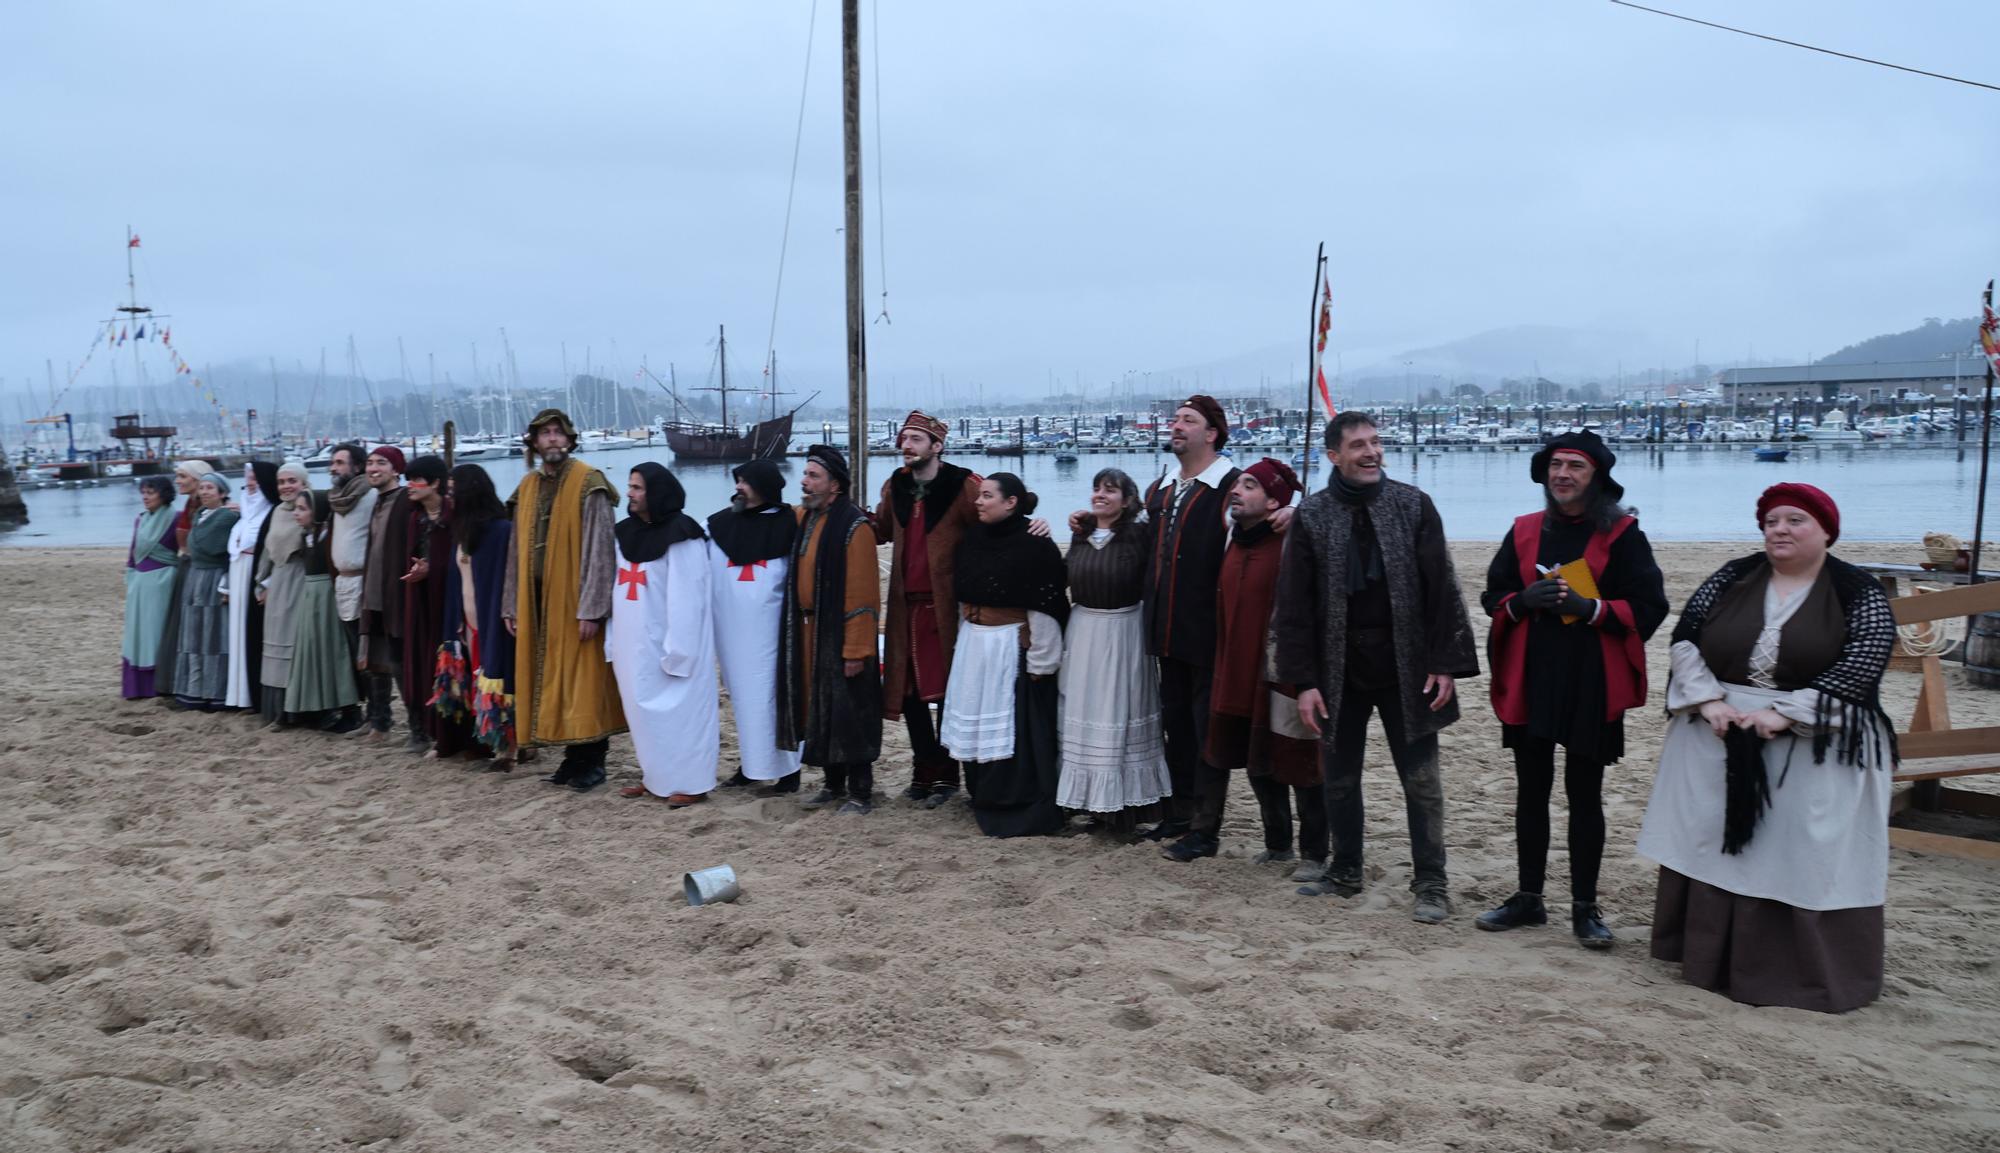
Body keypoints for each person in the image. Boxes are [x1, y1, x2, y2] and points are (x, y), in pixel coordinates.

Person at [1637, 484, 1897, 1013]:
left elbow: (1864, 662)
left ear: (1827, 530)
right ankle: (1710, 957)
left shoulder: (1856, 590)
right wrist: (1708, 702)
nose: (1779, 529)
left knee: (1801, 850)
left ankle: (1793, 971)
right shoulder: (1734, 574)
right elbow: (1686, 637)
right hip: (1722, 727)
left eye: (1795, 520)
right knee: (1715, 842)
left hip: (1814, 739)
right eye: (1771, 520)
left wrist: (1783, 714)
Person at [1273, 412, 1479, 924]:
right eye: (1358, 445)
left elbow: (1443, 590)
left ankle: (1431, 881)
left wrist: (1444, 663)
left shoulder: (1414, 505)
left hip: (1408, 666)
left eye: (1376, 442)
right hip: (1338, 668)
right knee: (1339, 779)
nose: (1371, 452)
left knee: (1422, 782)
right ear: (1334, 456)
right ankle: (1345, 870)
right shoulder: (1313, 516)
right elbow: (1293, 606)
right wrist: (1303, 682)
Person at [1477, 431, 1669, 948]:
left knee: (1585, 795)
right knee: (1530, 791)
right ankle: (1529, 899)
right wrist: (1523, 601)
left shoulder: (1624, 534)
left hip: (1592, 680)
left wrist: (1593, 609)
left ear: (1597, 479)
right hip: (1532, 676)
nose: (1562, 474)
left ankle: (1585, 907)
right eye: (1556, 465)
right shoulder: (1522, 531)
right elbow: (1492, 596)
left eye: (1575, 467)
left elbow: (1651, 607)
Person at [1180, 459, 1325, 878]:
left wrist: (1300, 516)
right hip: (1235, 667)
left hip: (1283, 672)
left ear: (1274, 500)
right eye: (1238, 483)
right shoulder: (1231, 537)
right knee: (1255, 759)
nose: (1237, 491)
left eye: (1249, 485)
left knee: (1300, 764)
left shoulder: (1293, 541)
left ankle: (1315, 853)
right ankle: (1277, 843)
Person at [1133, 396, 1243, 842]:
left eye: (1188, 421)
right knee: (1174, 727)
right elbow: (1141, 545)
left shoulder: (1232, 486)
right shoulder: (1160, 489)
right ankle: (1177, 814)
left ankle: (1204, 826)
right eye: (1175, 419)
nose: (1176, 426)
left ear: (1212, 433)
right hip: (1165, 630)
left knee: (1206, 730)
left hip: (1209, 632)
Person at [940, 474, 1070, 837]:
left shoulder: (1035, 544)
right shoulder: (973, 539)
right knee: (978, 720)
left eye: (986, 496)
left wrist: (1042, 661)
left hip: (1009, 646)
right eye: (978, 496)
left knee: (1015, 730)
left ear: (1011, 502)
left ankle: (1014, 801)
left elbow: (1044, 604)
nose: (978, 502)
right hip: (975, 643)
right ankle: (983, 792)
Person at [503, 409, 625, 790]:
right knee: (550, 679)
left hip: (575, 601)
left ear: (570, 440)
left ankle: (592, 761)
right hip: (537, 602)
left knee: (583, 680)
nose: (553, 439)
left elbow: (600, 550)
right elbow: (515, 551)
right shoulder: (526, 488)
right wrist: (511, 603)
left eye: (559, 433)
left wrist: (592, 608)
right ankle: (572, 760)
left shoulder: (590, 483)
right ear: (535, 443)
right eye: (545, 434)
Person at [875, 411, 982, 807]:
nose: (907, 444)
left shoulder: (964, 485)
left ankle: (948, 776)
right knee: (909, 695)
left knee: (949, 694)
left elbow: (995, 515)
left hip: (947, 609)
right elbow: (881, 529)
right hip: (904, 608)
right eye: (904, 437)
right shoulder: (896, 486)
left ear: (937, 446)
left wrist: (1033, 523)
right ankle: (925, 770)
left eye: (916, 439)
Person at [1056, 468, 1171, 828]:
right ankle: (1088, 800)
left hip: (1124, 631)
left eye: (1110, 490)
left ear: (1127, 499)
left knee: (1122, 709)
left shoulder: (1139, 534)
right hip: (1084, 631)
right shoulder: (1080, 534)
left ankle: (1132, 804)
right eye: (1096, 488)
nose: (1100, 495)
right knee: (1086, 711)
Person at [777, 445, 882, 814]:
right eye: (804, 474)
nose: (804, 482)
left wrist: (856, 650)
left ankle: (860, 791)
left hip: (839, 635)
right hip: (810, 631)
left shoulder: (855, 527)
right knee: (821, 708)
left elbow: (863, 594)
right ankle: (833, 785)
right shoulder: (807, 517)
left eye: (813, 476)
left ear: (834, 484)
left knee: (850, 711)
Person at [609, 464, 719, 807]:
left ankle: (691, 783)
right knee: (642, 715)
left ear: (655, 492)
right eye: (629, 486)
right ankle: (656, 777)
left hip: (670, 643)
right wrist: (612, 638)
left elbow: (689, 597)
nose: (630, 493)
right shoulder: (625, 532)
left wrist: (679, 650)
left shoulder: (683, 535)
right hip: (633, 642)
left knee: (681, 716)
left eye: (637, 488)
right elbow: (617, 588)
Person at [708, 460, 805, 793]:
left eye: (746, 482)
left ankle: (789, 771)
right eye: (737, 480)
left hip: (772, 630)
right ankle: (751, 766)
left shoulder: (790, 524)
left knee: (773, 698)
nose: (738, 487)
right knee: (743, 700)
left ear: (764, 487)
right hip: (732, 632)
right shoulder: (719, 525)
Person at [434, 464, 517, 768]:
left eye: (454, 492)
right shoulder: (461, 532)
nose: (449, 497)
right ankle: (489, 740)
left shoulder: (501, 531)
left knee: (501, 679)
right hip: (467, 622)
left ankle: (510, 747)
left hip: (495, 620)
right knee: (477, 680)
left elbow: (508, 578)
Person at [397, 455, 472, 758]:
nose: (409, 487)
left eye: (415, 480)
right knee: (428, 666)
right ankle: (438, 737)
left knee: (457, 666)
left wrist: (433, 569)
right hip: (424, 603)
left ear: (436, 483)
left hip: (453, 604)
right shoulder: (416, 518)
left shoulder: (454, 516)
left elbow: (460, 562)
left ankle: (461, 738)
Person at [283, 491, 362, 724]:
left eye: (303, 509)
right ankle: (316, 706)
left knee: (334, 649)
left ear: (316, 511)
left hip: (326, 594)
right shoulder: (308, 536)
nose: (296, 513)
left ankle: (349, 709)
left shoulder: (328, 535)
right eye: (296, 508)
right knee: (312, 650)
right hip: (310, 594)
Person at [253, 461, 314, 726]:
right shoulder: (277, 512)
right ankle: (278, 711)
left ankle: (298, 709)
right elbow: (268, 550)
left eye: (292, 481)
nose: (286, 487)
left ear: (303, 482)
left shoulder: (311, 508)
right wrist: (261, 583)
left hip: (301, 581)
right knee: (275, 646)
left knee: (296, 643)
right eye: (281, 482)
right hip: (278, 583)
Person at [358, 445, 412, 742]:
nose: (373, 468)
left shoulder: (404, 501)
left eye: (381, 463)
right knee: (375, 661)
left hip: (396, 596)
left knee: (402, 662)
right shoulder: (377, 502)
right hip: (375, 594)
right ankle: (380, 723)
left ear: (396, 469)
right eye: (369, 463)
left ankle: (418, 727)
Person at [174, 472, 241, 710]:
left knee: (213, 635)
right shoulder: (200, 515)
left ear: (222, 493)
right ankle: (194, 690)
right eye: (201, 488)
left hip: (213, 578)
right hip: (196, 577)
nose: (203, 492)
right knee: (194, 634)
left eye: (210, 488)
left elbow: (209, 546)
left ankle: (215, 691)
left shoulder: (226, 517)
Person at [152, 458, 216, 701]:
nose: (177, 481)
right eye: (177, 476)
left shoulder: (207, 508)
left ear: (198, 479)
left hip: (196, 569)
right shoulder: (190, 505)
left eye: (183, 476)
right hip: (185, 566)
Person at [325, 443, 377, 734]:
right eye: (333, 463)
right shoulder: (336, 498)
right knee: (355, 653)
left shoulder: (369, 495)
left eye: (340, 463)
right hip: (342, 582)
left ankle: (377, 717)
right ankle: (367, 714)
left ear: (357, 466)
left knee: (369, 654)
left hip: (363, 581)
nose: (334, 468)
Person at [222, 461, 280, 711]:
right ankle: (239, 694)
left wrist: (265, 583)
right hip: (238, 573)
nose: (250, 482)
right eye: (247, 477)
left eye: (255, 477)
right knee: (239, 634)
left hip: (255, 575)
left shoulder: (272, 511)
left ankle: (253, 694)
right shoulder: (245, 511)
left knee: (254, 634)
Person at [121, 475, 180, 699]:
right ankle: (136, 687)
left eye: (150, 493)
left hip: (163, 581)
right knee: (137, 632)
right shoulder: (140, 519)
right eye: (143, 493)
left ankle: (159, 684)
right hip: (139, 583)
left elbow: (184, 549)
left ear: (163, 494)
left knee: (156, 633)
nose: (145, 497)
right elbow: (133, 553)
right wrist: (131, 576)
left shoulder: (177, 518)